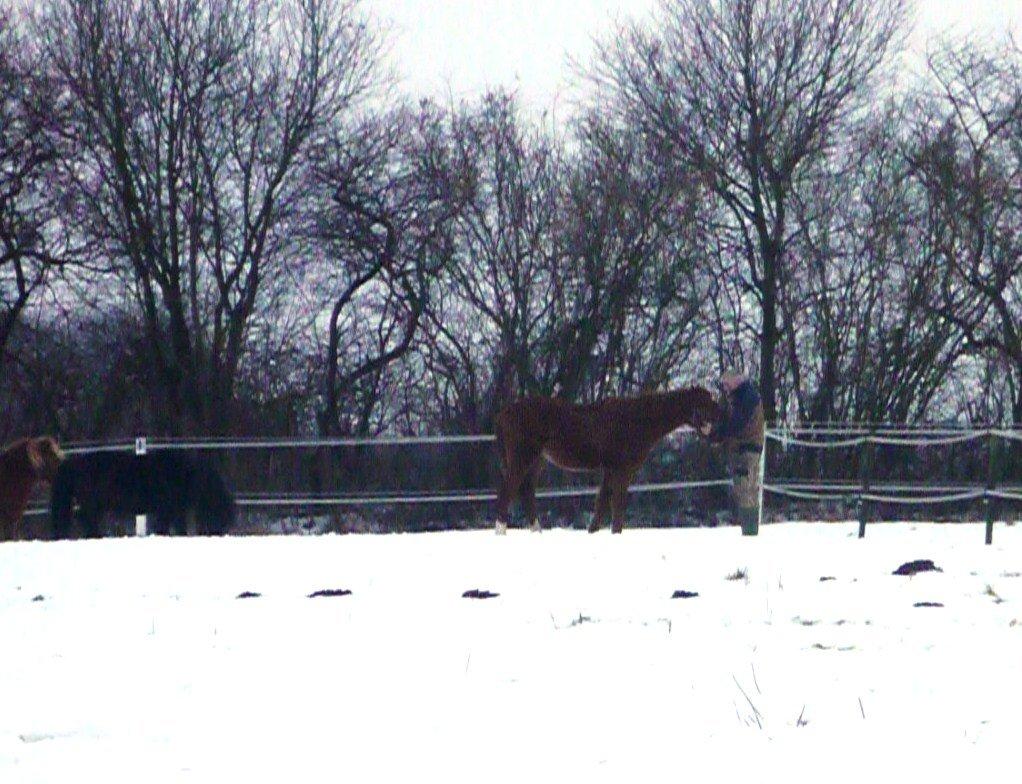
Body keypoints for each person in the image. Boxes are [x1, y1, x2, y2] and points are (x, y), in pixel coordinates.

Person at [711, 373, 765, 535]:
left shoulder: (746, 398)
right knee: (748, 490)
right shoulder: (745, 396)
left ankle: (749, 533)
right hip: (747, 449)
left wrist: (716, 433)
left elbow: (736, 424)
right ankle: (750, 530)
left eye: (726, 384)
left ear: (735, 381)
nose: (725, 388)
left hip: (746, 450)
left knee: (745, 490)